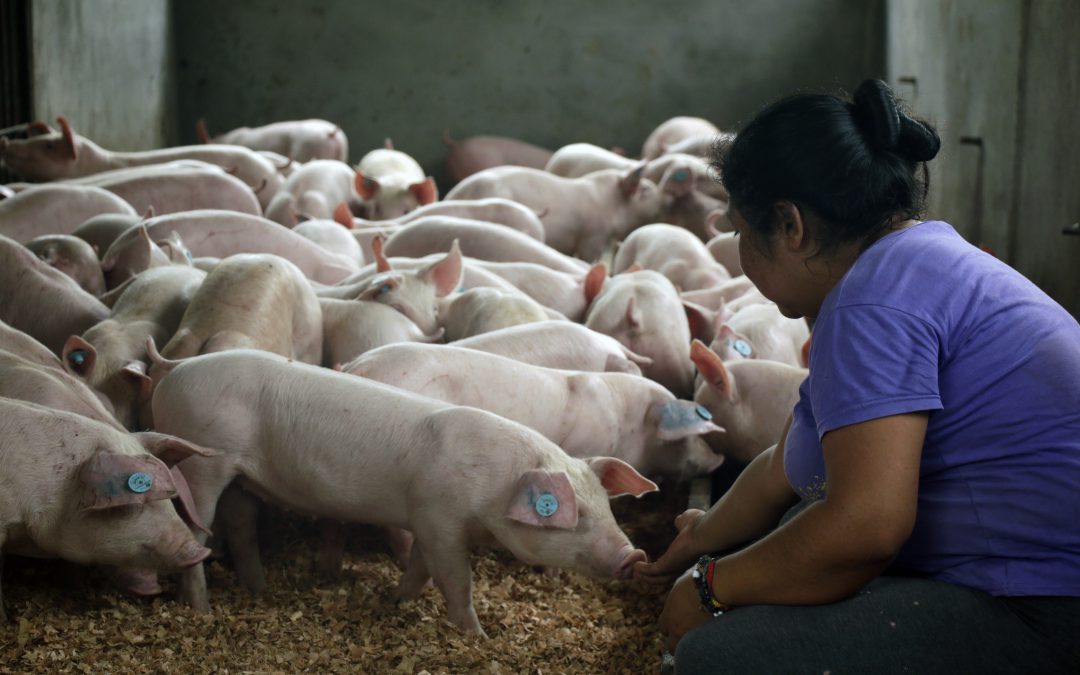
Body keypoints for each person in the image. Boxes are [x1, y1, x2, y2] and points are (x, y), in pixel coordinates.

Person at [633, 79, 1080, 674]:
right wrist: (703, 537)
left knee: (720, 657)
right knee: (790, 532)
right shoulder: (915, 261)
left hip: (1044, 607)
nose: (739, 248)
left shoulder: (871, 304)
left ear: (790, 225)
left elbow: (867, 528)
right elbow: (787, 465)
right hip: (1033, 573)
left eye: (741, 230)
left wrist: (711, 588)